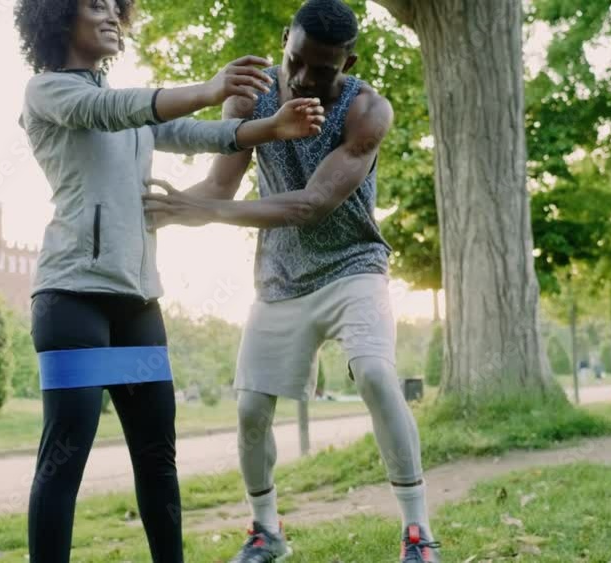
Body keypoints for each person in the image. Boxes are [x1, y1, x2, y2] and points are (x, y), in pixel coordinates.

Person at [13, 1, 325, 561]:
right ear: (58, 17)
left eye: (115, 6)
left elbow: (193, 132)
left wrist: (271, 128)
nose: (111, 16)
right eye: (94, 4)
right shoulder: (48, 92)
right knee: (65, 457)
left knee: (157, 457)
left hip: (137, 304)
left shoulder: (129, 106)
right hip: (72, 300)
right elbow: (110, 110)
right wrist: (209, 88)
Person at [143, 1, 438, 561]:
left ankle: (417, 533)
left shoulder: (367, 110)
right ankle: (266, 532)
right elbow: (219, 189)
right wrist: (164, 208)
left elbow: (310, 205)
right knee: (250, 410)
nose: (302, 78)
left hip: (354, 266)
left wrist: (199, 211)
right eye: (295, 61)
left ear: (348, 63)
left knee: (376, 375)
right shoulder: (250, 98)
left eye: (321, 70)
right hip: (280, 278)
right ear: (285, 40)